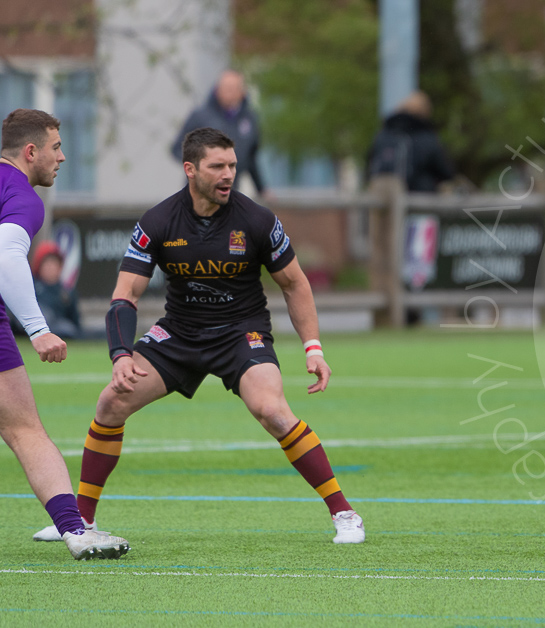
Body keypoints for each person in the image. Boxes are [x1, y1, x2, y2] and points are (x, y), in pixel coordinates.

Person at [32, 128, 363, 544]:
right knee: (111, 402)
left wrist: (313, 349)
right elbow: (125, 295)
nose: (228, 175)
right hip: (179, 333)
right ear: (190, 170)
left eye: (233, 166)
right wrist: (120, 356)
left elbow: (295, 284)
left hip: (242, 333)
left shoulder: (258, 220)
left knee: (273, 411)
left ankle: (344, 513)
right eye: (217, 166)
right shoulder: (158, 221)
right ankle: (82, 521)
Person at [0, 108, 130, 560]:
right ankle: (76, 531)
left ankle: (75, 530)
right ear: (30, 151)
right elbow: (6, 257)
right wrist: (38, 329)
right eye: (56, 147)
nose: (63, 157)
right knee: (26, 430)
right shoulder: (21, 195)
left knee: (22, 427)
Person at [171, 70, 267, 197]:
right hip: (200, 193)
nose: (229, 92)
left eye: (233, 88)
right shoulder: (200, 117)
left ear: (242, 91)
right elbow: (177, 149)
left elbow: (251, 158)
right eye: (225, 87)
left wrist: (261, 189)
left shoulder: (249, 119)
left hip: (230, 192)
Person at [366, 91, 457, 192]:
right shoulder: (427, 137)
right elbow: (447, 172)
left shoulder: (383, 135)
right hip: (419, 199)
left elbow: (369, 166)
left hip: (383, 202)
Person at [6, 241, 82, 339]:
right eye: (47, 264)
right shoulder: (29, 287)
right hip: (30, 329)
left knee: (67, 328)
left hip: (58, 330)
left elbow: (75, 325)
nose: (50, 268)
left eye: (54, 264)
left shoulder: (67, 292)